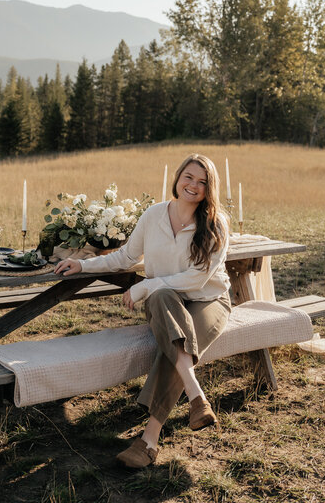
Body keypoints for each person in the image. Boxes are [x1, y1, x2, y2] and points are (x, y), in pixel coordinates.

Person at [54, 153, 231, 469]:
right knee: (163, 297)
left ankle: (149, 440)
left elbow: (198, 278)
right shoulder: (153, 215)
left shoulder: (217, 223)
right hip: (166, 303)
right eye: (189, 177)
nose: (194, 185)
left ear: (209, 189)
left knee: (175, 347)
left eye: (202, 182)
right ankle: (196, 396)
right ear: (178, 178)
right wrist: (83, 263)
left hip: (208, 301)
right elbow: (124, 257)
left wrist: (143, 286)